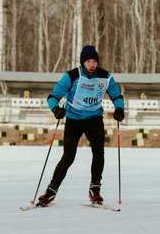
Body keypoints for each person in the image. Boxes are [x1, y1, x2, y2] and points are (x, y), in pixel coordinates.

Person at [37, 45, 125, 207]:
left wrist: (120, 108)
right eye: (88, 61)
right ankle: (51, 191)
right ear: (83, 62)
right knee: (68, 157)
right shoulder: (71, 76)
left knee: (99, 154)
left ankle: (95, 189)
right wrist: (55, 109)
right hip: (74, 119)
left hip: (94, 119)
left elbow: (116, 95)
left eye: (94, 61)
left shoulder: (106, 77)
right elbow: (53, 96)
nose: (92, 64)